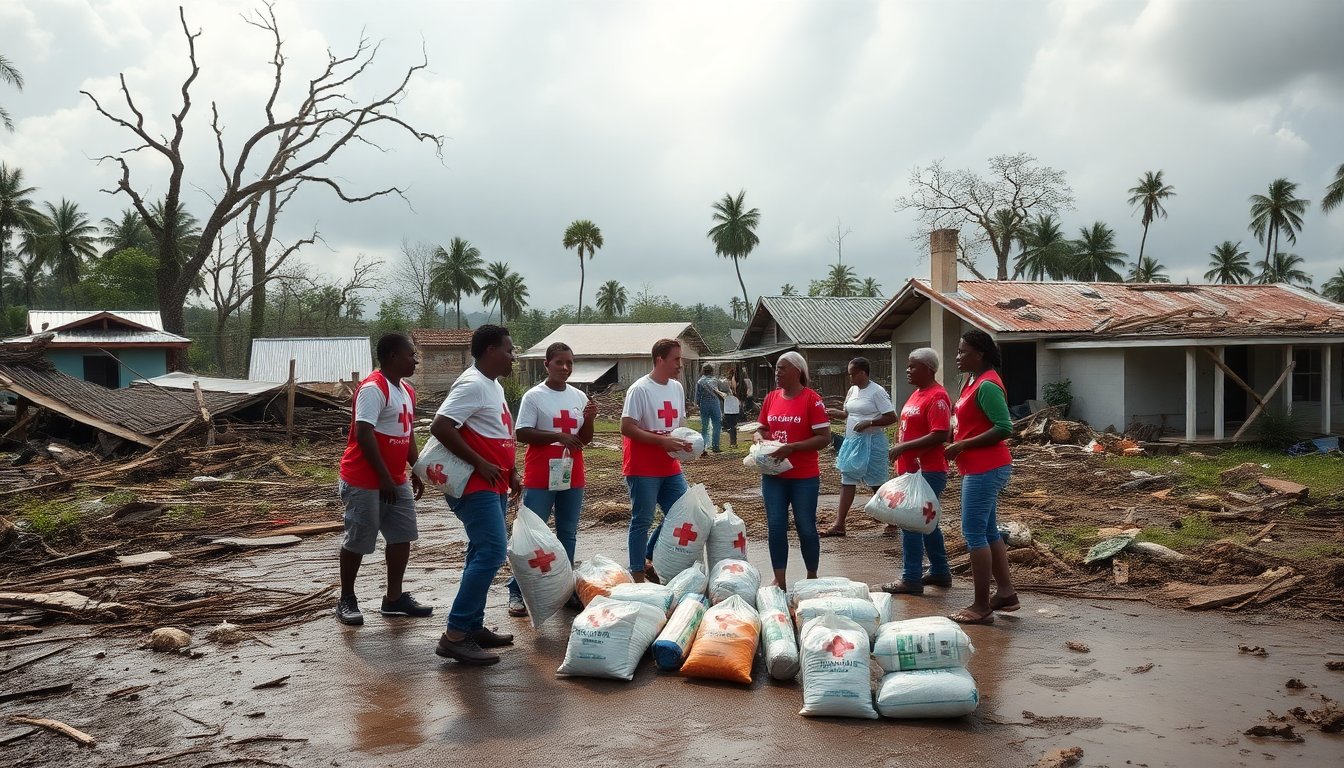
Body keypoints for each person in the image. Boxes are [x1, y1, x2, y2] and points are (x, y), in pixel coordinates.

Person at [430, 325, 521, 665]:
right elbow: (440, 425)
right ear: (489, 351)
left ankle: (472, 626)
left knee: (481, 551)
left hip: (493, 480)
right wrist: (482, 463)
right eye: (509, 350)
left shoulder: (492, 385)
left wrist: (510, 470)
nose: (513, 356)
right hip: (474, 483)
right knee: (493, 551)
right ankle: (454, 635)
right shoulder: (471, 384)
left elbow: (494, 432)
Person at [335, 333, 429, 626]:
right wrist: (384, 477)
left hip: (394, 478)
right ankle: (347, 598)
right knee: (358, 540)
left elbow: (407, 433)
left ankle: (393, 598)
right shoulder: (373, 388)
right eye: (411, 354)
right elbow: (364, 434)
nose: (415, 360)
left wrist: (417, 467)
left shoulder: (407, 390)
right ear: (392, 357)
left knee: (402, 536)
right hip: (364, 479)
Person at [506, 342, 597, 617]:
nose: (565, 368)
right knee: (533, 534)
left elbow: (583, 440)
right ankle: (516, 592)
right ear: (547, 364)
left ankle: (564, 590)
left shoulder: (579, 397)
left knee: (568, 533)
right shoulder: (535, 396)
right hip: (541, 473)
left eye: (570, 363)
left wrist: (590, 419)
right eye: (560, 362)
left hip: (572, 472)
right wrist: (557, 436)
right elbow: (521, 433)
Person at [944, 329, 1018, 625]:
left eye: (963, 351)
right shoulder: (972, 381)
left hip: (986, 467)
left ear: (980, 353)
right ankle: (1006, 593)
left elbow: (1004, 427)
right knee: (988, 532)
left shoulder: (987, 385)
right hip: (976, 466)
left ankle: (980, 604)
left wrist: (963, 444)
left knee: (973, 533)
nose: (958, 356)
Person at [621, 339, 694, 583]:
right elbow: (627, 427)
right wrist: (661, 441)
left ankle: (647, 555)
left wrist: (688, 443)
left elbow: (679, 425)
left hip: (671, 465)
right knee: (642, 518)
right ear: (660, 359)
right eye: (676, 359)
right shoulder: (639, 389)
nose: (680, 364)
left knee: (682, 511)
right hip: (643, 467)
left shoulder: (676, 388)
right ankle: (637, 574)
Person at [755, 351, 831, 588]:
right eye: (776, 368)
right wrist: (759, 437)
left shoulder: (812, 400)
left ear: (797, 371)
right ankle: (780, 579)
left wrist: (793, 447)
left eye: (782, 368)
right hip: (774, 475)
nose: (777, 373)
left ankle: (811, 576)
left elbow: (824, 437)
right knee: (776, 525)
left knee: (805, 526)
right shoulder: (771, 398)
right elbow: (763, 427)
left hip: (804, 477)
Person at [881, 348, 953, 595]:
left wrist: (904, 447)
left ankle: (911, 578)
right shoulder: (917, 395)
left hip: (928, 471)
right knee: (926, 523)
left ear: (928, 368)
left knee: (910, 522)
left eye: (913, 366)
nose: (908, 370)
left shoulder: (937, 396)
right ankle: (941, 571)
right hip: (912, 472)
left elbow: (941, 433)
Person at [820, 357, 897, 538]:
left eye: (853, 374)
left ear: (863, 373)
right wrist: (835, 414)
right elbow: (848, 414)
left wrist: (870, 422)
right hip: (853, 442)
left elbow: (892, 417)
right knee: (847, 478)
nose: (850, 378)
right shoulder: (852, 390)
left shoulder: (877, 392)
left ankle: (893, 519)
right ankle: (839, 524)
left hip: (872, 443)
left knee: (877, 482)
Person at [695, 363, 726, 454]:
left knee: (704, 427)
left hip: (704, 404)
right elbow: (721, 393)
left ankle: (703, 448)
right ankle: (715, 446)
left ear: (703, 371)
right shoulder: (715, 381)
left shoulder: (700, 381)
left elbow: (698, 396)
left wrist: (697, 405)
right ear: (712, 371)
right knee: (716, 425)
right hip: (715, 404)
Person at [722, 368, 742, 448]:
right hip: (735, 406)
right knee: (733, 425)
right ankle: (733, 442)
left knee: (730, 425)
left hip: (728, 406)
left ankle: (732, 442)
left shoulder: (726, 383)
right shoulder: (738, 383)